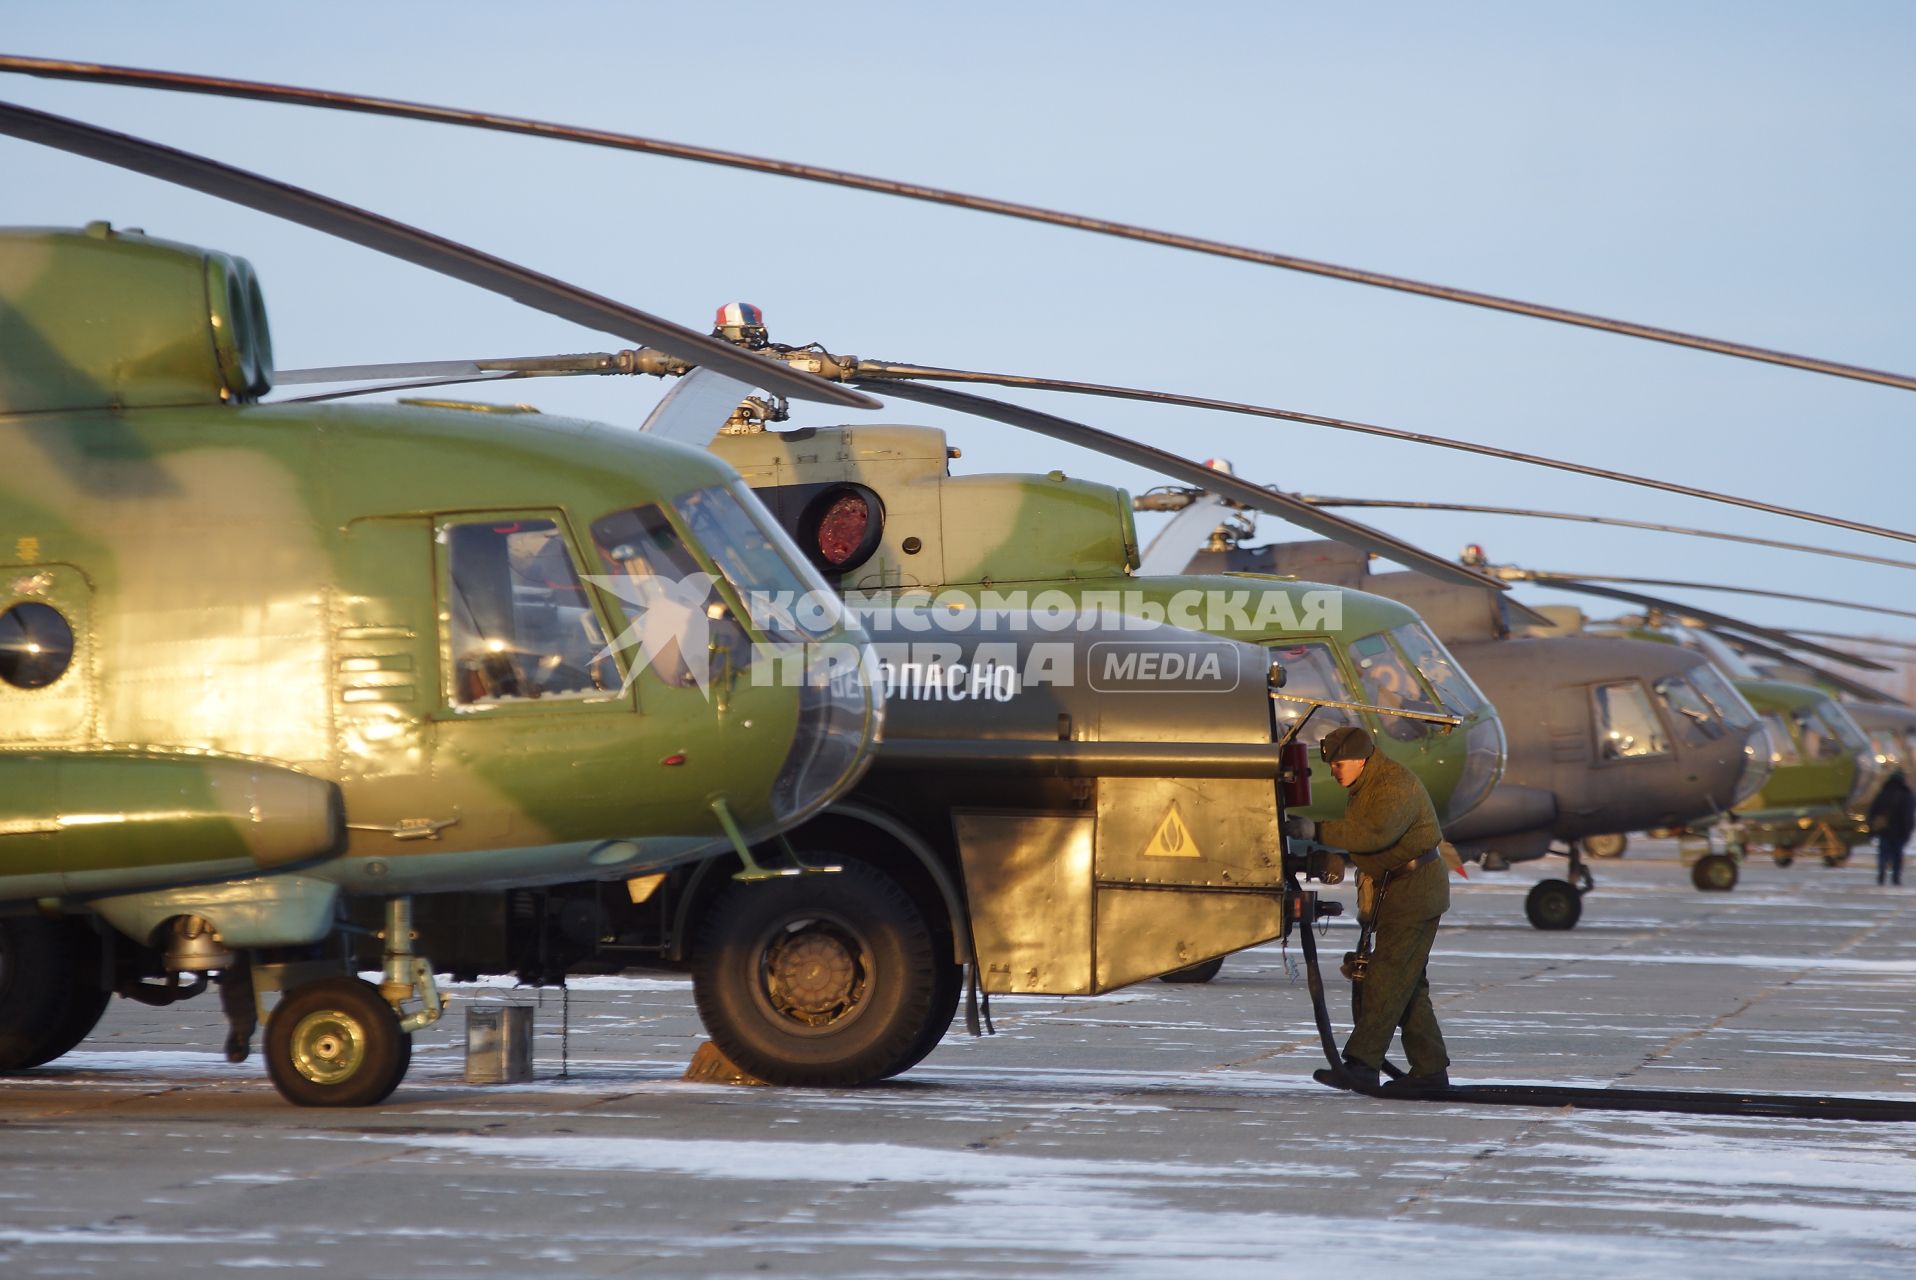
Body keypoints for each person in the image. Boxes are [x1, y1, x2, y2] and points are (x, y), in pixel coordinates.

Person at [1284, 726, 1451, 1092]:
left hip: (1415, 891)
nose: (1334, 771)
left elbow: (1373, 834)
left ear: (1361, 759)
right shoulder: (1365, 785)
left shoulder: (1392, 785)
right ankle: (1430, 1071)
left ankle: (1362, 1064)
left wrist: (1317, 831)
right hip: (1398, 891)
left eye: (1339, 764)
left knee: (1387, 979)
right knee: (1406, 984)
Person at [1867, 769, 1913, 886]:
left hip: (1884, 828)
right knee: (1897, 854)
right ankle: (1895, 877)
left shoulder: (1883, 793)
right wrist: (1907, 831)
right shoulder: (1907, 795)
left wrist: (1871, 828)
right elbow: (1909, 815)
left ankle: (1882, 871)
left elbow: (1873, 811)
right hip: (1899, 830)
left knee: (1884, 852)